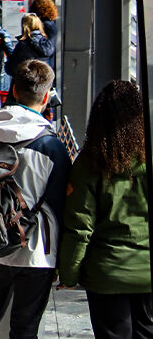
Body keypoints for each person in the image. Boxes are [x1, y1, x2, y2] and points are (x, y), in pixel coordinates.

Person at [0, 60, 70, 339]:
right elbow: (59, 206)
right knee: (25, 329)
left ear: (12, 89)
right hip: (36, 250)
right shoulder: (52, 146)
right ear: (46, 97)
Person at [58, 80, 151, 339]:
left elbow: (79, 227)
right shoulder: (147, 157)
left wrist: (68, 273)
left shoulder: (89, 163)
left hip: (106, 274)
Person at [5, 13, 56, 78]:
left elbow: (11, 68)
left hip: (26, 83)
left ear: (24, 26)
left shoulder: (23, 45)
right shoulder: (47, 43)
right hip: (44, 83)